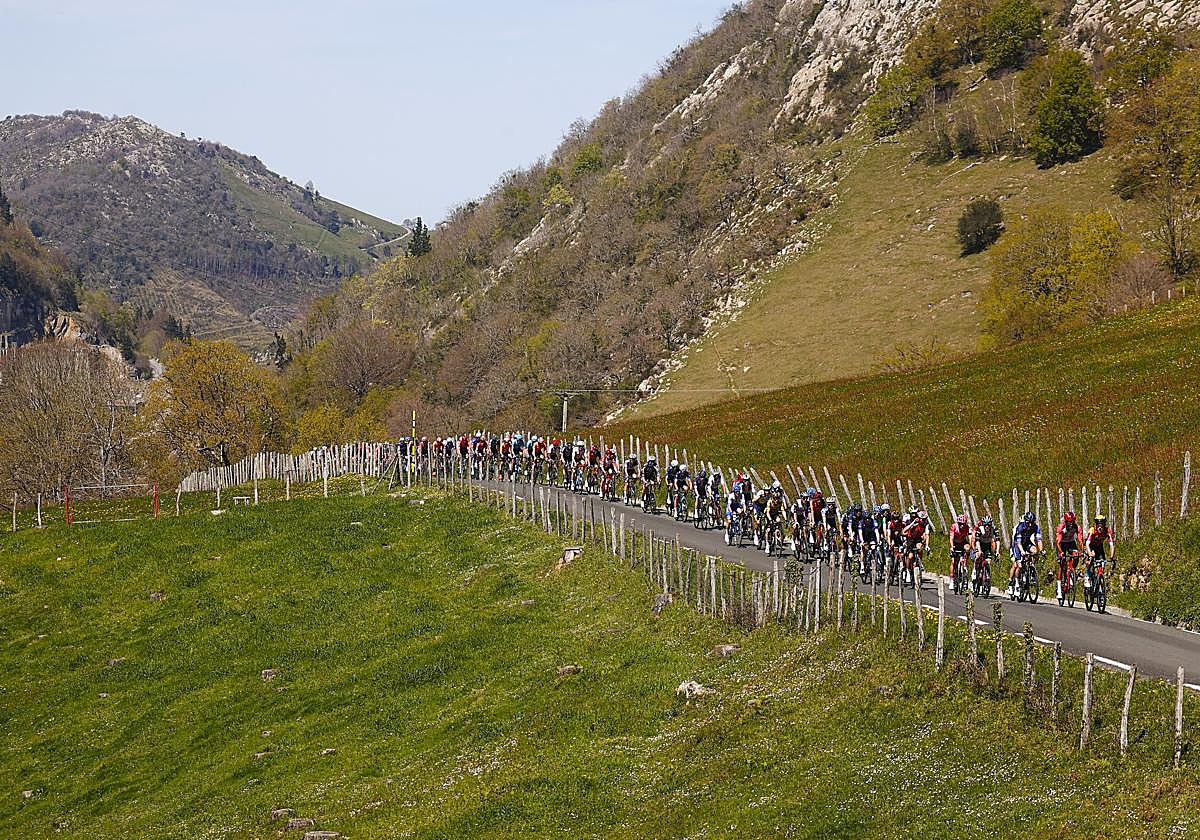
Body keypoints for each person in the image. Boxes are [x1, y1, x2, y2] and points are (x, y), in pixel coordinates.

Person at [1009, 511, 1043, 598]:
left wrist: (1041, 550)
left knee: (1035, 552)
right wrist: (1022, 552)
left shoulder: (1035, 527)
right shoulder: (1020, 527)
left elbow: (1039, 540)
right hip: (1017, 545)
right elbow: (1018, 542)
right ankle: (1016, 583)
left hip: (1027, 543)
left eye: (1032, 523)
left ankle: (1031, 571)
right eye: (1028, 523)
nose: (1030, 525)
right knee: (1019, 565)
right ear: (1025, 522)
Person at [1055, 511, 1081, 599]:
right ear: (1066, 521)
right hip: (1061, 544)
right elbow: (1058, 542)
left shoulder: (1076, 527)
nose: (1071, 524)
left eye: (1072, 522)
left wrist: (1083, 550)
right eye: (1069, 522)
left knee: (1076, 556)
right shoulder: (1061, 527)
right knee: (1061, 565)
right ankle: (1059, 589)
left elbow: (1079, 540)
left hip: (1071, 542)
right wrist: (1061, 552)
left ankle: (1071, 572)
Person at [1085, 514, 1115, 590]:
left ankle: (1099, 579)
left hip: (1099, 547)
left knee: (1102, 563)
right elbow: (1087, 544)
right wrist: (1090, 554)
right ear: (1096, 524)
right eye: (1098, 524)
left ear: (1104, 525)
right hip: (1090, 546)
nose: (1100, 527)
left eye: (1102, 525)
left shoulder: (1108, 531)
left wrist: (1112, 556)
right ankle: (1087, 576)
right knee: (1090, 561)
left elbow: (1111, 545)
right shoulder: (1092, 530)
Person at [971, 514, 998, 586]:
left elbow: (997, 540)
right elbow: (976, 541)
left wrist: (997, 551)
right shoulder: (980, 529)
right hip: (980, 544)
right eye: (985, 525)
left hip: (987, 545)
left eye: (988, 525)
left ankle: (987, 575)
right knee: (978, 556)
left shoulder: (994, 529)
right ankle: (974, 571)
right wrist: (979, 550)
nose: (987, 527)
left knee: (988, 561)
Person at [949, 513, 971, 587]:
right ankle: (952, 579)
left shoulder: (967, 527)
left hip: (963, 542)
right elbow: (951, 538)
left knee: (967, 548)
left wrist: (971, 546)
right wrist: (952, 547)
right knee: (953, 562)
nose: (962, 526)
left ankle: (964, 565)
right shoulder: (954, 526)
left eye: (963, 524)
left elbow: (970, 537)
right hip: (955, 543)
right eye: (960, 524)